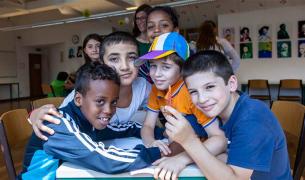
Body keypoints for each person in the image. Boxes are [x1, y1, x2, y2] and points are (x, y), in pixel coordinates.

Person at [153, 50, 292, 180]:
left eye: (209, 87)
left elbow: (234, 178)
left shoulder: (251, 118)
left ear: (231, 84)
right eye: (193, 92)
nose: (202, 99)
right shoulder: (218, 110)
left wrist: (189, 141)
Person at [22, 62, 161, 179]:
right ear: (78, 99)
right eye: (100, 101)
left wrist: (162, 133)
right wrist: (161, 151)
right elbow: (105, 160)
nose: (108, 110)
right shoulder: (57, 124)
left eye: (114, 102)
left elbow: (123, 128)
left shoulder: (89, 120)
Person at [28, 32, 154, 144]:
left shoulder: (143, 86)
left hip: (112, 142)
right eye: (114, 59)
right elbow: (59, 119)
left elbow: (161, 105)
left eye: (131, 57)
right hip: (84, 149)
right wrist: (34, 114)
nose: (125, 66)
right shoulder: (90, 90)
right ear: (102, 63)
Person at [136, 32, 226, 157]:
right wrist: (151, 142)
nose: (157, 74)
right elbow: (148, 126)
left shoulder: (192, 93)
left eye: (166, 67)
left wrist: (182, 159)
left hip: (203, 145)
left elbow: (219, 138)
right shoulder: (156, 89)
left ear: (183, 69)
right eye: (153, 66)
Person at [133, 4, 153, 83]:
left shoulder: (159, 40)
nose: (139, 21)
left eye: (143, 18)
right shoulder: (132, 42)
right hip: (140, 83)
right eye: (137, 19)